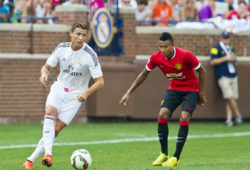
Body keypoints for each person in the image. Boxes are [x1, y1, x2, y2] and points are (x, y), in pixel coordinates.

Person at [22, 23, 104, 169]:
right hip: (59, 87)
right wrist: (44, 74)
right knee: (49, 112)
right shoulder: (61, 48)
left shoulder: (90, 55)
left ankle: (30, 160)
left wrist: (86, 92)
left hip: (76, 95)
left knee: (57, 128)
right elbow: (46, 67)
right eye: (78, 34)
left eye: (84, 35)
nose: (80, 38)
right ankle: (48, 154)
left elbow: (100, 82)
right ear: (71, 34)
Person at [119, 32, 206, 167]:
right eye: (160, 47)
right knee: (162, 114)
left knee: (184, 116)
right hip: (174, 89)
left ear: (172, 45)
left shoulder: (185, 55)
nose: (163, 50)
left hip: (190, 89)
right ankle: (164, 154)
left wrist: (201, 93)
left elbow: (202, 71)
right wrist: (128, 92)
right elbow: (143, 74)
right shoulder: (156, 58)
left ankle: (175, 157)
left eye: (165, 47)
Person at [210, 31, 243, 126]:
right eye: (225, 38)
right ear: (221, 38)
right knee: (229, 97)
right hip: (223, 75)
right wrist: (226, 58)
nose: (226, 39)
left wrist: (234, 59)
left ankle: (229, 120)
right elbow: (212, 62)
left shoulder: (231, 49)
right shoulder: (216, 48)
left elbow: (235, 61)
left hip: (232, 74)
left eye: (227, 38)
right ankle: (238, 115)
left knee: (231, 98)